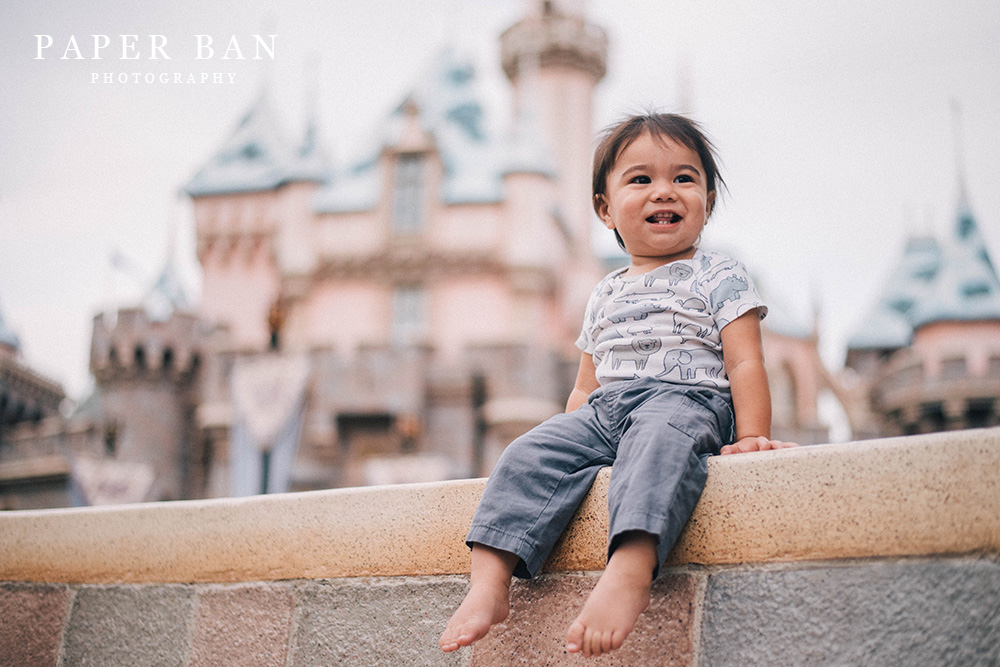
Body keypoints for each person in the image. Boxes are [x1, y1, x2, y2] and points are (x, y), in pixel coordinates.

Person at [439, 112, 796, 658]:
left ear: (707, 203)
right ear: (605, 209)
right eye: (640, 179)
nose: (664, 192)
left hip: (686, 401)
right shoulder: (604, 292)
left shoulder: (720, 274)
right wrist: (570, 437)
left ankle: (629, 569)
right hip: (607, 410)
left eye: (683, 178)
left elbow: (746, 362)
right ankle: (489, 584)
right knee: (525, 452)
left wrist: (753, 434)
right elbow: (586, 384)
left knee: (657, 442)